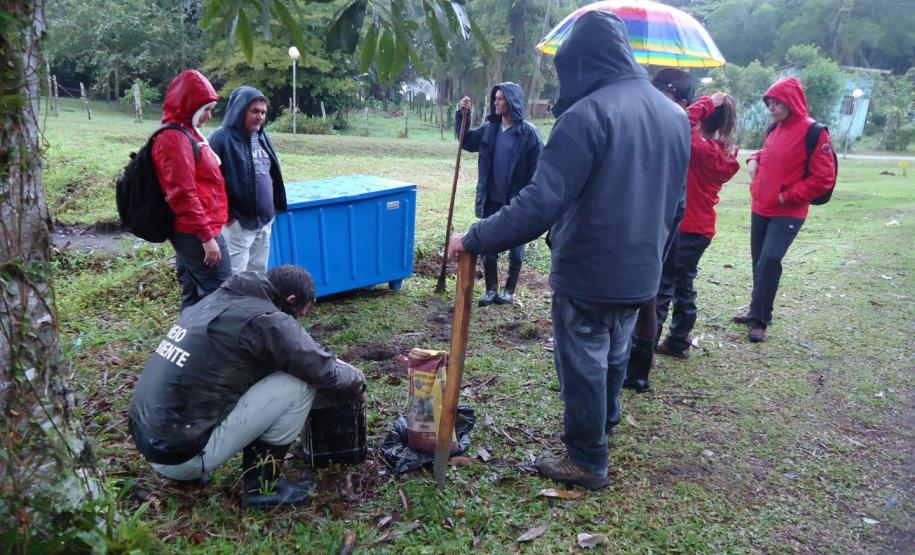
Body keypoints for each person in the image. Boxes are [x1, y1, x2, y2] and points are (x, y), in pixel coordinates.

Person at [448, 11, 690, 489]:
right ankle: (607, 421)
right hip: (641, 271)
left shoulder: (587, 115)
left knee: (582, 363)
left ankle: (586, 459)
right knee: (615, 351)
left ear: (581, 62)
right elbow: (676, 205)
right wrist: (654, 256)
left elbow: (540, 202)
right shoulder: (675, 115)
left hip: (589, 271)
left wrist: (474, 237)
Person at [128, 265, 366, 509]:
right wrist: (357, 380)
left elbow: (297, 354)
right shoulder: (265, 321)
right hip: (179, 455)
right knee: (298, 384)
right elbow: (321, 371)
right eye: (300, 313)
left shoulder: (223, 298)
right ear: (291, 300)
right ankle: (263, 487)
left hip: (151, 439)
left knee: (279, 371)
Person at [734, 77, 836, 342]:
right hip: (761, 206)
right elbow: (767, 153)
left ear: (792, 101)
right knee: (759, 262)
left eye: (777, 102)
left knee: (769, 260)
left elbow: (823, 178)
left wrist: (787, 197)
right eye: (769, 102)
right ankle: (758, 309)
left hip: (787, 211)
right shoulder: (774, 129)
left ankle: (759, 321)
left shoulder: (815, 132)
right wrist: (753, 159)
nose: (772, 107)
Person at [622, 68, 692, 393]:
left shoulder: (677, 123)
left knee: (647, 295)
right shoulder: (658, 120)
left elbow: (675, 187)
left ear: (679, 97)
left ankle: (638, 370)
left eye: (663, 94)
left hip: (660, 217)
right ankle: (629, 365)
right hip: (646, 212)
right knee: (636, 294)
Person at [655, 93, 741, 359]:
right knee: (684, 283)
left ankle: (645, 346)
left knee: (664, 286)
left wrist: (705, 103)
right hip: (701, 228)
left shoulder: (700, 148)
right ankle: (678, 341)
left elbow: (680, 121)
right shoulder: (725, 153)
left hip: (685, 225)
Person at [456, 83, 543, 307]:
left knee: (516, 251)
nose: (496, 102)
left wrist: (529, 198)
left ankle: (509, 291)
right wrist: (462, 114)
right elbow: (466, 141)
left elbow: (538, 170)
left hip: (517, 202)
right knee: (489, 246)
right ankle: (491, 290)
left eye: (501, 99)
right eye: (495, 98)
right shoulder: (489, 129)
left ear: (512, 102)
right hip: (492, 199)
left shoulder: (529, 134)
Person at [153, 70, 231, 310]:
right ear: (189, 106)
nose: (209, 115)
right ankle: (216, 346)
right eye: (205, 109)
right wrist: (207, 237)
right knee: (222, 297)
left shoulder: (189, 133)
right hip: (197, 231)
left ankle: (188, 344)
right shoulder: (174, 139)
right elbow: (183, 194)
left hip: (198, 228)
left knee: (195, 296)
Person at [209, 86, 287, 274]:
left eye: (263, 112)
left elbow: (271, 174)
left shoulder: (261, 136)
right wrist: (228, 217)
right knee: (235, 277)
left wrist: (274, 207)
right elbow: (209, 182)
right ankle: (235, 305)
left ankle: (253, 304)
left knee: (258, 275)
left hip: (264, 221)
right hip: (238, 225)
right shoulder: (221, 139)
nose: (260, 116)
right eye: (254, 111)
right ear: (240, 110)